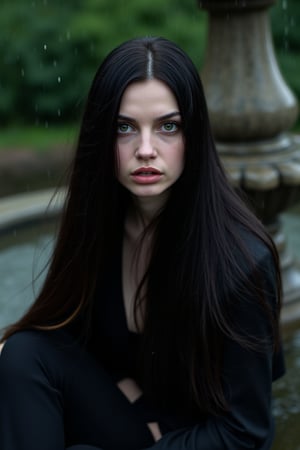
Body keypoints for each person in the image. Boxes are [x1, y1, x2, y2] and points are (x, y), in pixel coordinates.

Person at [0, 36, 285, 450]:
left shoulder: (242, 262)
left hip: (195, 441)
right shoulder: (100, 223)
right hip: (135, 418)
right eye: (124, 128)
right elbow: (73, 335)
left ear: (194, 134)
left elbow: (248, 432)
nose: (145, 150)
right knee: (22, 354)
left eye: (168, 127)